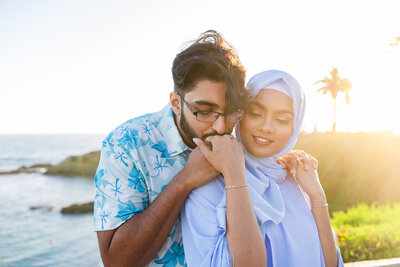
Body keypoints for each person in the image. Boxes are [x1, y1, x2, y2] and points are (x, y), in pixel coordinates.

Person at [93, 30, 248, 266]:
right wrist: (185, 180)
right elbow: (116, 261)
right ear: (176, 103)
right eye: (204, 111)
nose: (220, 126)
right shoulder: (126, 143)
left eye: (229, 113)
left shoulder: (237, 144)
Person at [181, 70, 345, 266]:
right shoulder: (210, 186)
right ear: (240, 115)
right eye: (256, 113)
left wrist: (317, 195)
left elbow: (329, 263)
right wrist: (235, 173)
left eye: (282, 120)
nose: (266, 127)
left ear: (295, 126)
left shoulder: (299, 182)